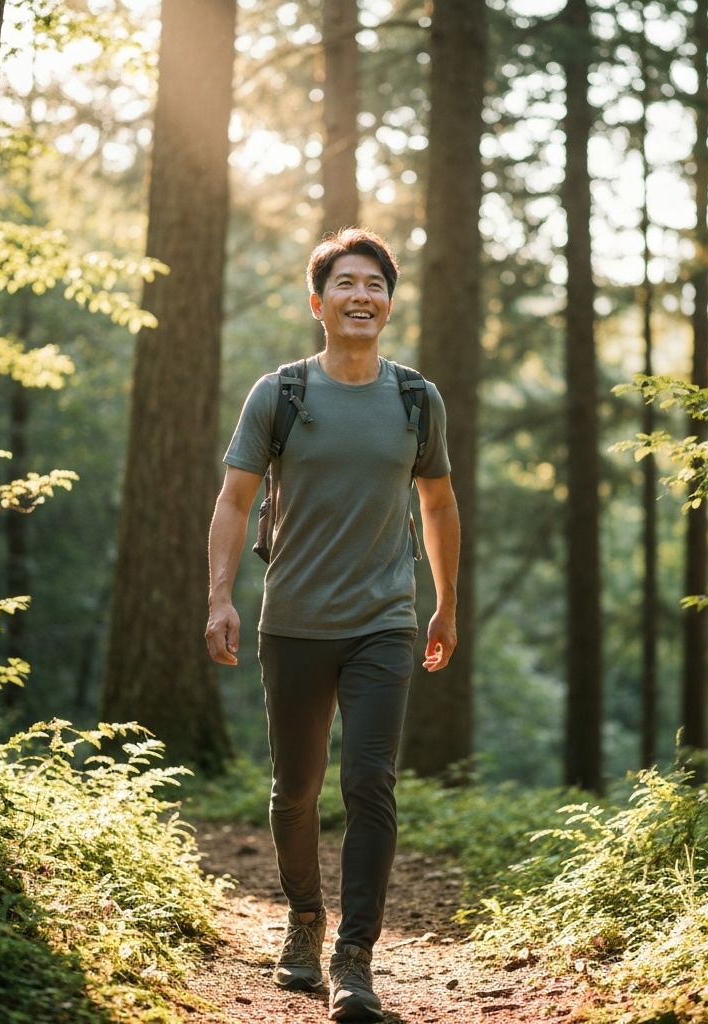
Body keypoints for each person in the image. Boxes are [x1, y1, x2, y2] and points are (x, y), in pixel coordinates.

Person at [205, 227, 460, 1023]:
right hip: (294, 622)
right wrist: (220, 597)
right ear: (318, 303)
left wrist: (446, 602)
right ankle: (305, 918)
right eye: (346, 283)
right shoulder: (280, 394)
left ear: (389, 304)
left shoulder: (416, 399)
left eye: (375, 285)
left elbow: (439, 504)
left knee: (369, 781)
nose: (361, 296)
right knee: (296, 790)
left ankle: (355, 957)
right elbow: (234, 500)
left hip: (385, 620)